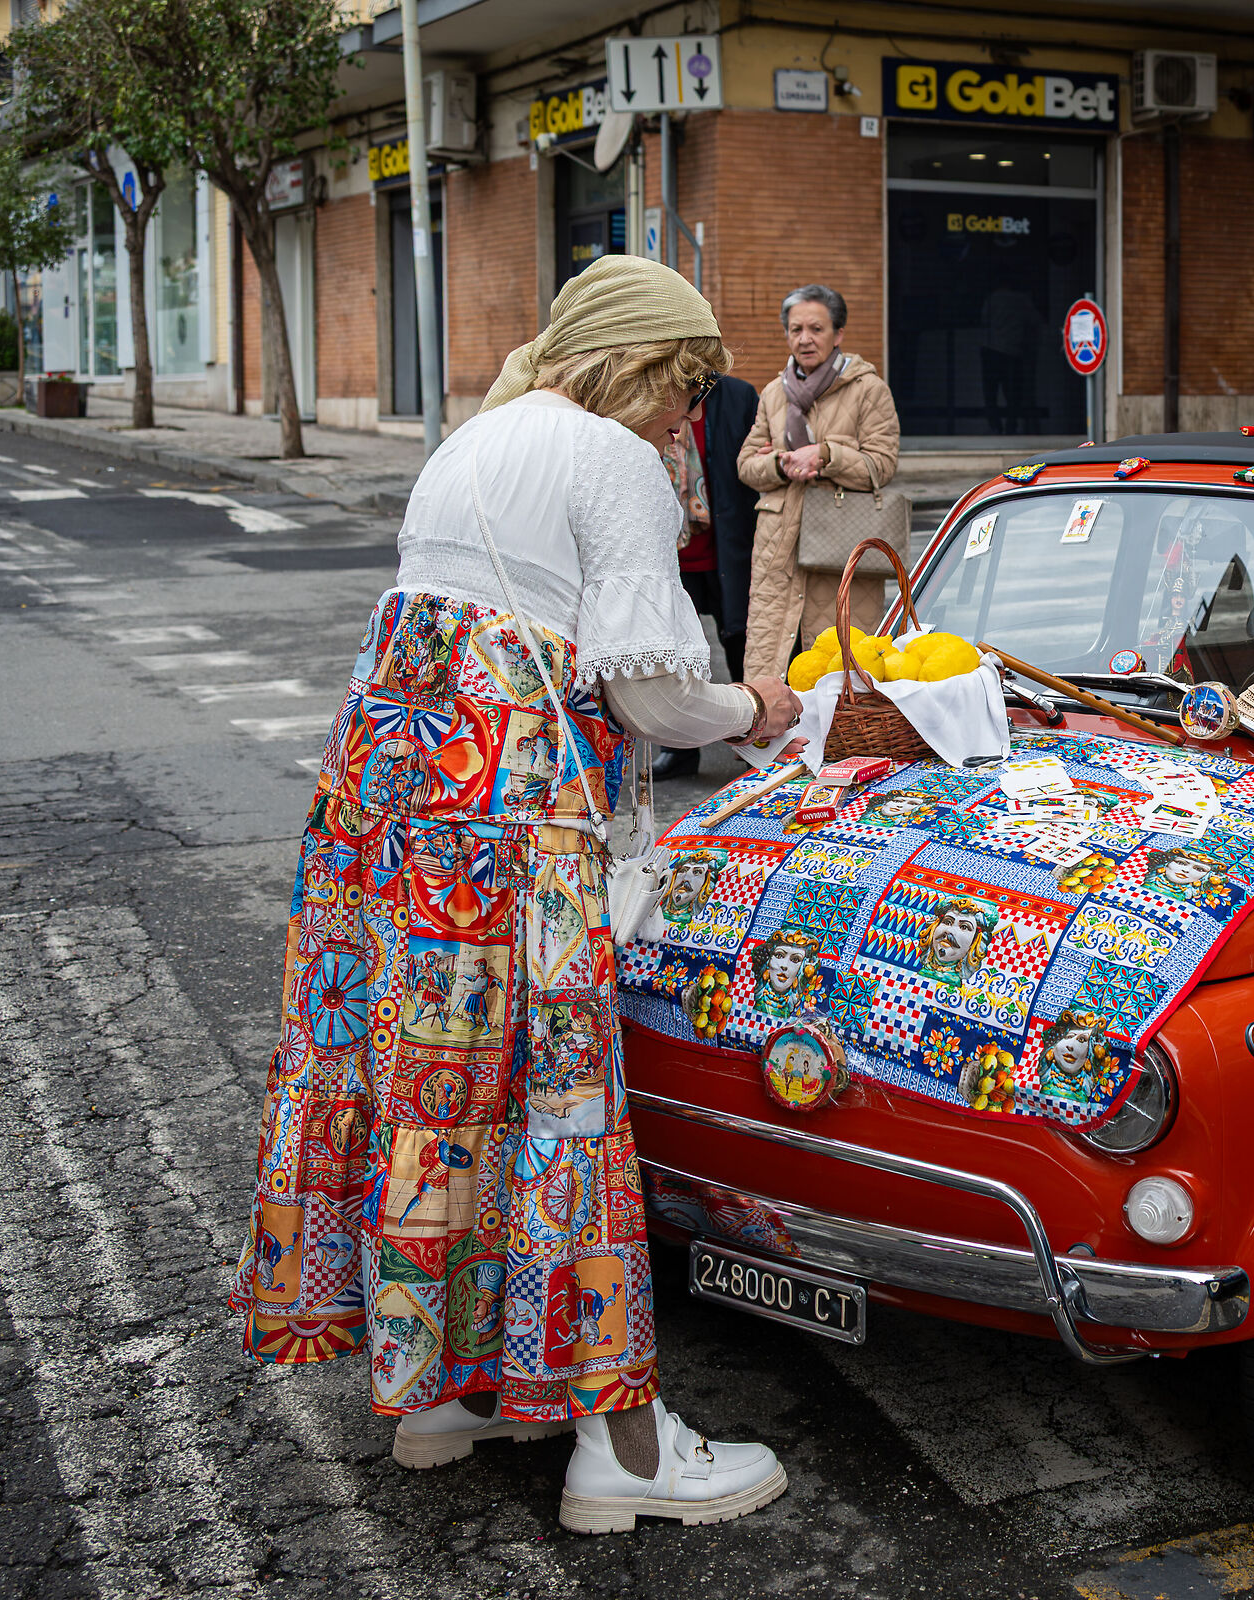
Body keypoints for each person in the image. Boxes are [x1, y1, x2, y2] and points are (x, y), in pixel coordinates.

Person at [228, 255, 805, 1535]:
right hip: (508, 830)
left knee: (433, 1094)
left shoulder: (473, 443)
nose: (686, 420)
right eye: (684, 387)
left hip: (387, 831)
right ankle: (626, 1452)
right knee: (564, 1101)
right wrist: (764, 709)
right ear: (642, 367)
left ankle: (443, 1395)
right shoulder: (611, 462)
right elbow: (650, 693)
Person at [737, 284, 902, 681]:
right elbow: (746, 465)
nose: (804, 339)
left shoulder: (868, 390)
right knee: (772, 670)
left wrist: (826, 455)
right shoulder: (774, 393)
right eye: (795, 329)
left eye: (816, 328)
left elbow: (882, 464)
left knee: (839, 675)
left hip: (839, 551)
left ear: (838, 334)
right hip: (778, 551)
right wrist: (781, 464)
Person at [653, 368, 761, 780]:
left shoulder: (736, 395)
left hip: (726, 547)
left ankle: (757, 732)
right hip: (671, 551)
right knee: (676, 651)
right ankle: (679, 748)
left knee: (740, 638)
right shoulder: (651, 393)